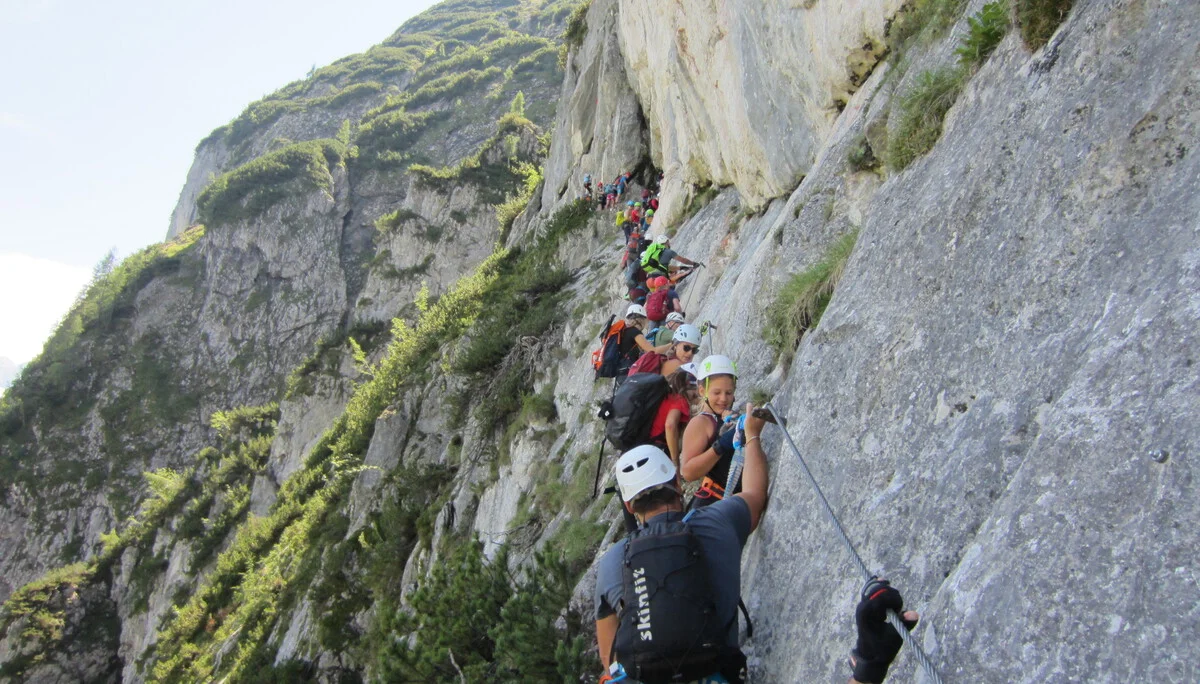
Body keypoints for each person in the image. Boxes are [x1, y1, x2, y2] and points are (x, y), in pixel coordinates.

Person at [679, 355, 743, 507]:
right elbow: (688, 472)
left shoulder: (724, 418)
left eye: (729, 393)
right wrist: (720, 446)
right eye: (716, 393)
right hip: (714, 503)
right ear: (702, 391)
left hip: (727, 502)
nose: (723, 398)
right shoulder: (700, 423)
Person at [646, 371, 694, 464]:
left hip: (646, 442)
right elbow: (670, 425)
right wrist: (675, 462)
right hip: (658, 446)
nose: (693, 400)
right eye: (694, 395)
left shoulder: (666, 397)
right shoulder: (680, 400)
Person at [617, 304, 671, 376]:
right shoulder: (634, 331)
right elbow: (653, 351)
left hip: (622, 373)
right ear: (639, 319)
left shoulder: (624, 332)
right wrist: (672, 344)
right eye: (644, 320)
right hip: (631, 374)